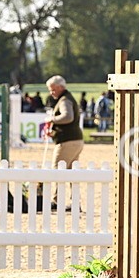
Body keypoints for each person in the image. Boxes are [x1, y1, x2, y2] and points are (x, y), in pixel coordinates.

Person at [44, 75, 84, 209]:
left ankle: (57, 201)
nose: (51, 92)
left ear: (61, 87)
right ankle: (74, 202)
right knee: (73, 172)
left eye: (53, 89)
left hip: (67, 141)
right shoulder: (67, 98)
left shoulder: (64, 100)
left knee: (58, 170)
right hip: (76, 140)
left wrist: (52, 119)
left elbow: (68, 117)